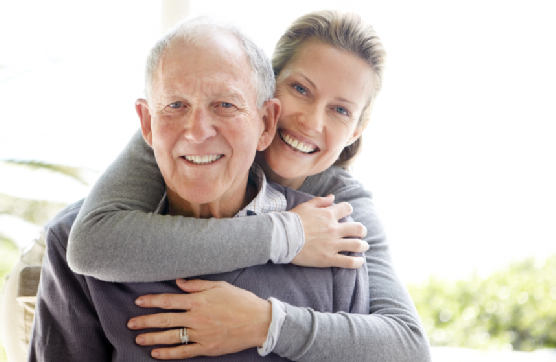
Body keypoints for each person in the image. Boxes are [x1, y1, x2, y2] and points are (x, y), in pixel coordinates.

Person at [66, 10, 431, 362]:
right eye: (301, 89)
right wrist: (288, 235)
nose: (310, 120)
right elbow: (90, 243)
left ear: (355, 131)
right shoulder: (193, 128)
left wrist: (266, 324)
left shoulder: (343, 207)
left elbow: (407, 347)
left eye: (340, 110)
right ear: (268, 88)